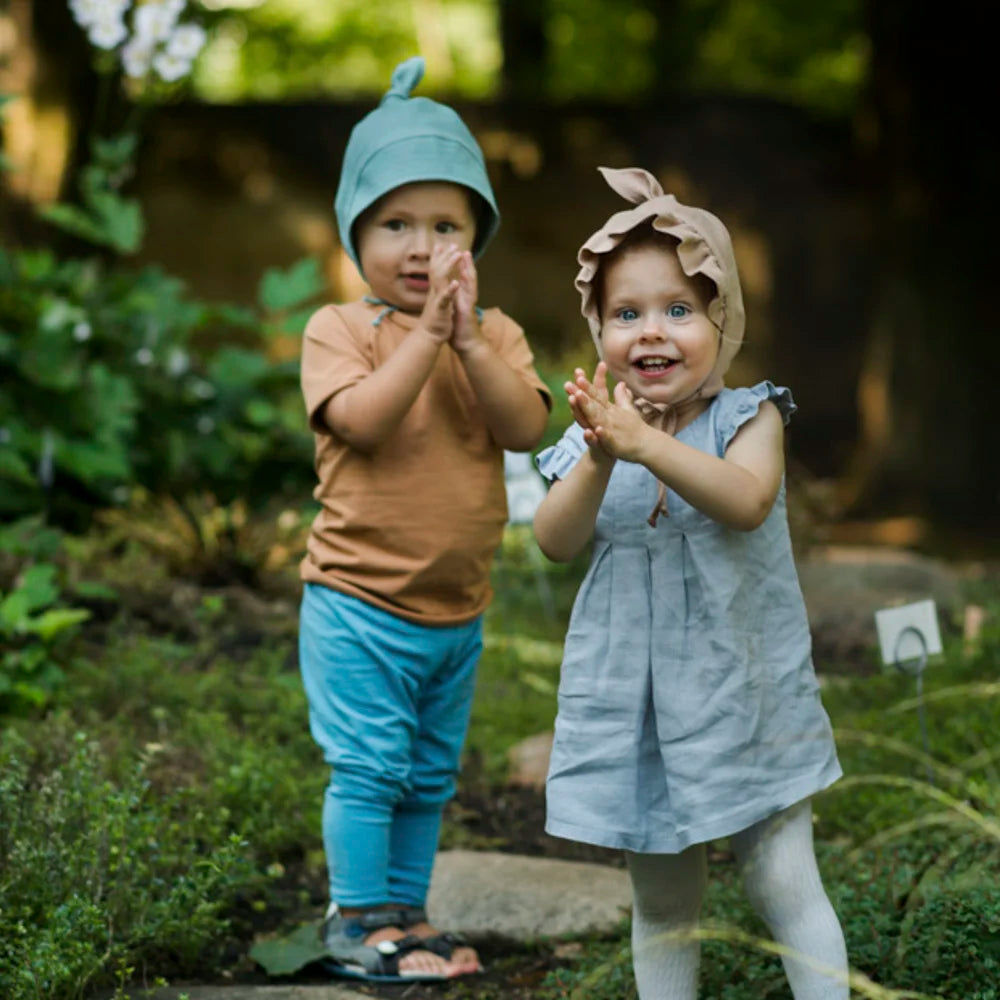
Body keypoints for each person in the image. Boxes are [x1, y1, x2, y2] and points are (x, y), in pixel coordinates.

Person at [532, 166, 848, 999]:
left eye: (679, 310)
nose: (653, 333)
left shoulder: (749, 417)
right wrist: (602, 455)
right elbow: (554, 541)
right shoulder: (600, 438)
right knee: (663, 901)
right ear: (596, 328)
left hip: (745, 694)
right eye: (626, 314)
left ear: (723, 319)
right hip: (640, 709)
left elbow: (745, 502)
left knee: (781, 881)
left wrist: (646, 445)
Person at [297, 56, 551, 983]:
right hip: (358, 602)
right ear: (354, 235)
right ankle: (357, 920)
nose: (420, 245)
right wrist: (428, 340)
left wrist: (469, 339)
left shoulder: (498, 336)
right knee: (368, 769)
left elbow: (523, 426)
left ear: (474, 241)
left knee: (427, 777)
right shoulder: (341, 331)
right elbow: (362, 422)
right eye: (395, 223)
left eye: (446, 225)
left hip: (455, 612)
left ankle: (408, 916)